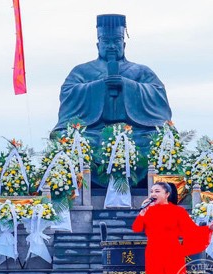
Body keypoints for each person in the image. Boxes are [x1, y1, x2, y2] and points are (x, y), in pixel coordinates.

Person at [52, 14, 173, 185]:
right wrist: (99, 86)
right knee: (70, 139)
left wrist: (128, 85)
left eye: (116, 41)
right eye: (106, 41)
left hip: (136, 131)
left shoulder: (140, 70)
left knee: (155, 139)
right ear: (98, 44)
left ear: (123, 44)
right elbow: (68, 92)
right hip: (94, 130)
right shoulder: (82, 70)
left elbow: (157, 93)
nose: (111, 46)